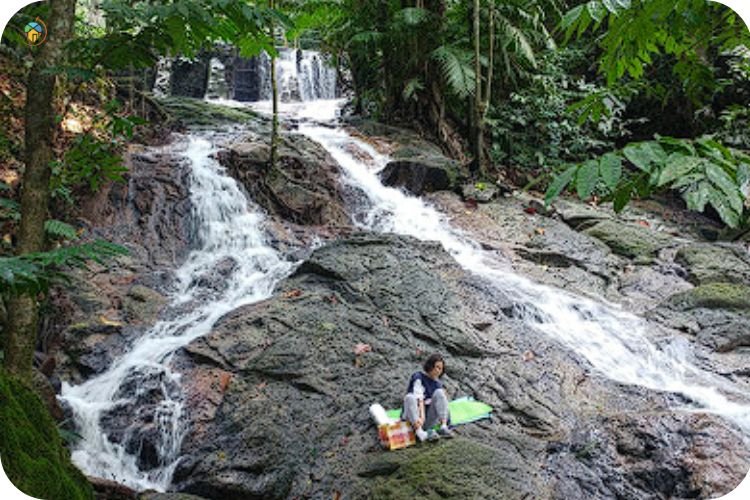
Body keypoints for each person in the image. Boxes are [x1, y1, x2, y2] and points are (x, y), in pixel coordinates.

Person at [402, 353, 453, 441]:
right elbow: (419, 399)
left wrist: (447, 421)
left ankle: (443, 427)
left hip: (426, 423)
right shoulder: (418, 376)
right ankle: (419, 432)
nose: (438, 371)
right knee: (410, 397)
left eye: (440, 369)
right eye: (437, 367)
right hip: (413, 419)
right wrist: (421, 417)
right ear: (430, 365)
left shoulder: (437, 384)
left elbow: (443, 403)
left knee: (440, 393)